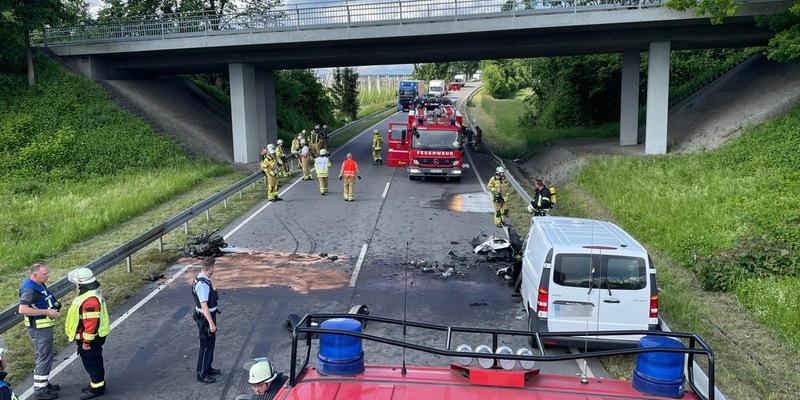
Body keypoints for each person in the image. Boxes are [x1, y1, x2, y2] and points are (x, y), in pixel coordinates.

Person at [65, 268, 109, 400]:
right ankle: (95, 384)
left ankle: (97, 389)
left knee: (92, 362)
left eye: (76, 282)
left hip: (90, 338)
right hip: (89, 337)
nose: (75, 285)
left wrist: (86, 343)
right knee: (92, 361)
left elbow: (91, 324)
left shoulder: (90, 300)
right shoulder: (89, 294)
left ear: (80, 284)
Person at [18, 263, 61, 400]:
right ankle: (40, 390)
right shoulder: (30, 289)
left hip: (43, 326)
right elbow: (22, 309)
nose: (48, 276)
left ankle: (42, 382)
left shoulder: (37, 283)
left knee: (43, 355)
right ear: (35, 275)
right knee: (44, 355)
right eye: (45, 274)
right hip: (39, 328)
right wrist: (46, 311)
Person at [193, 257, 220, 384]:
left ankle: (208, 368)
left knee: (210, 343)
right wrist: (211, 323)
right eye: (213, 268)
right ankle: (202, 374)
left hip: (207, 316)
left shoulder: (204, 280)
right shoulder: (202, 284)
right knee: (205, 346)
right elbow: (204, 305)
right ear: (210, 268)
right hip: (205, 319)